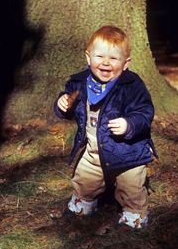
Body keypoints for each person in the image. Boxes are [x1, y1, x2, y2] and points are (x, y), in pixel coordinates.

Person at [54, 25, 157, 229]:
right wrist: (63, 104)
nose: (106, 63)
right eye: (99, 56)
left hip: (127, 152)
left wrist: (129, 124)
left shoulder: (131, 86)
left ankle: (134, 214)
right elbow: (70, 105)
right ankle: (84, 202)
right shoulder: (79, 82)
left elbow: (145, 112)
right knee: (85, 177)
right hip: (93, 148)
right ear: (88, 57)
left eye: (114, 59)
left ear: (126, 63)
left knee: (131, 185)